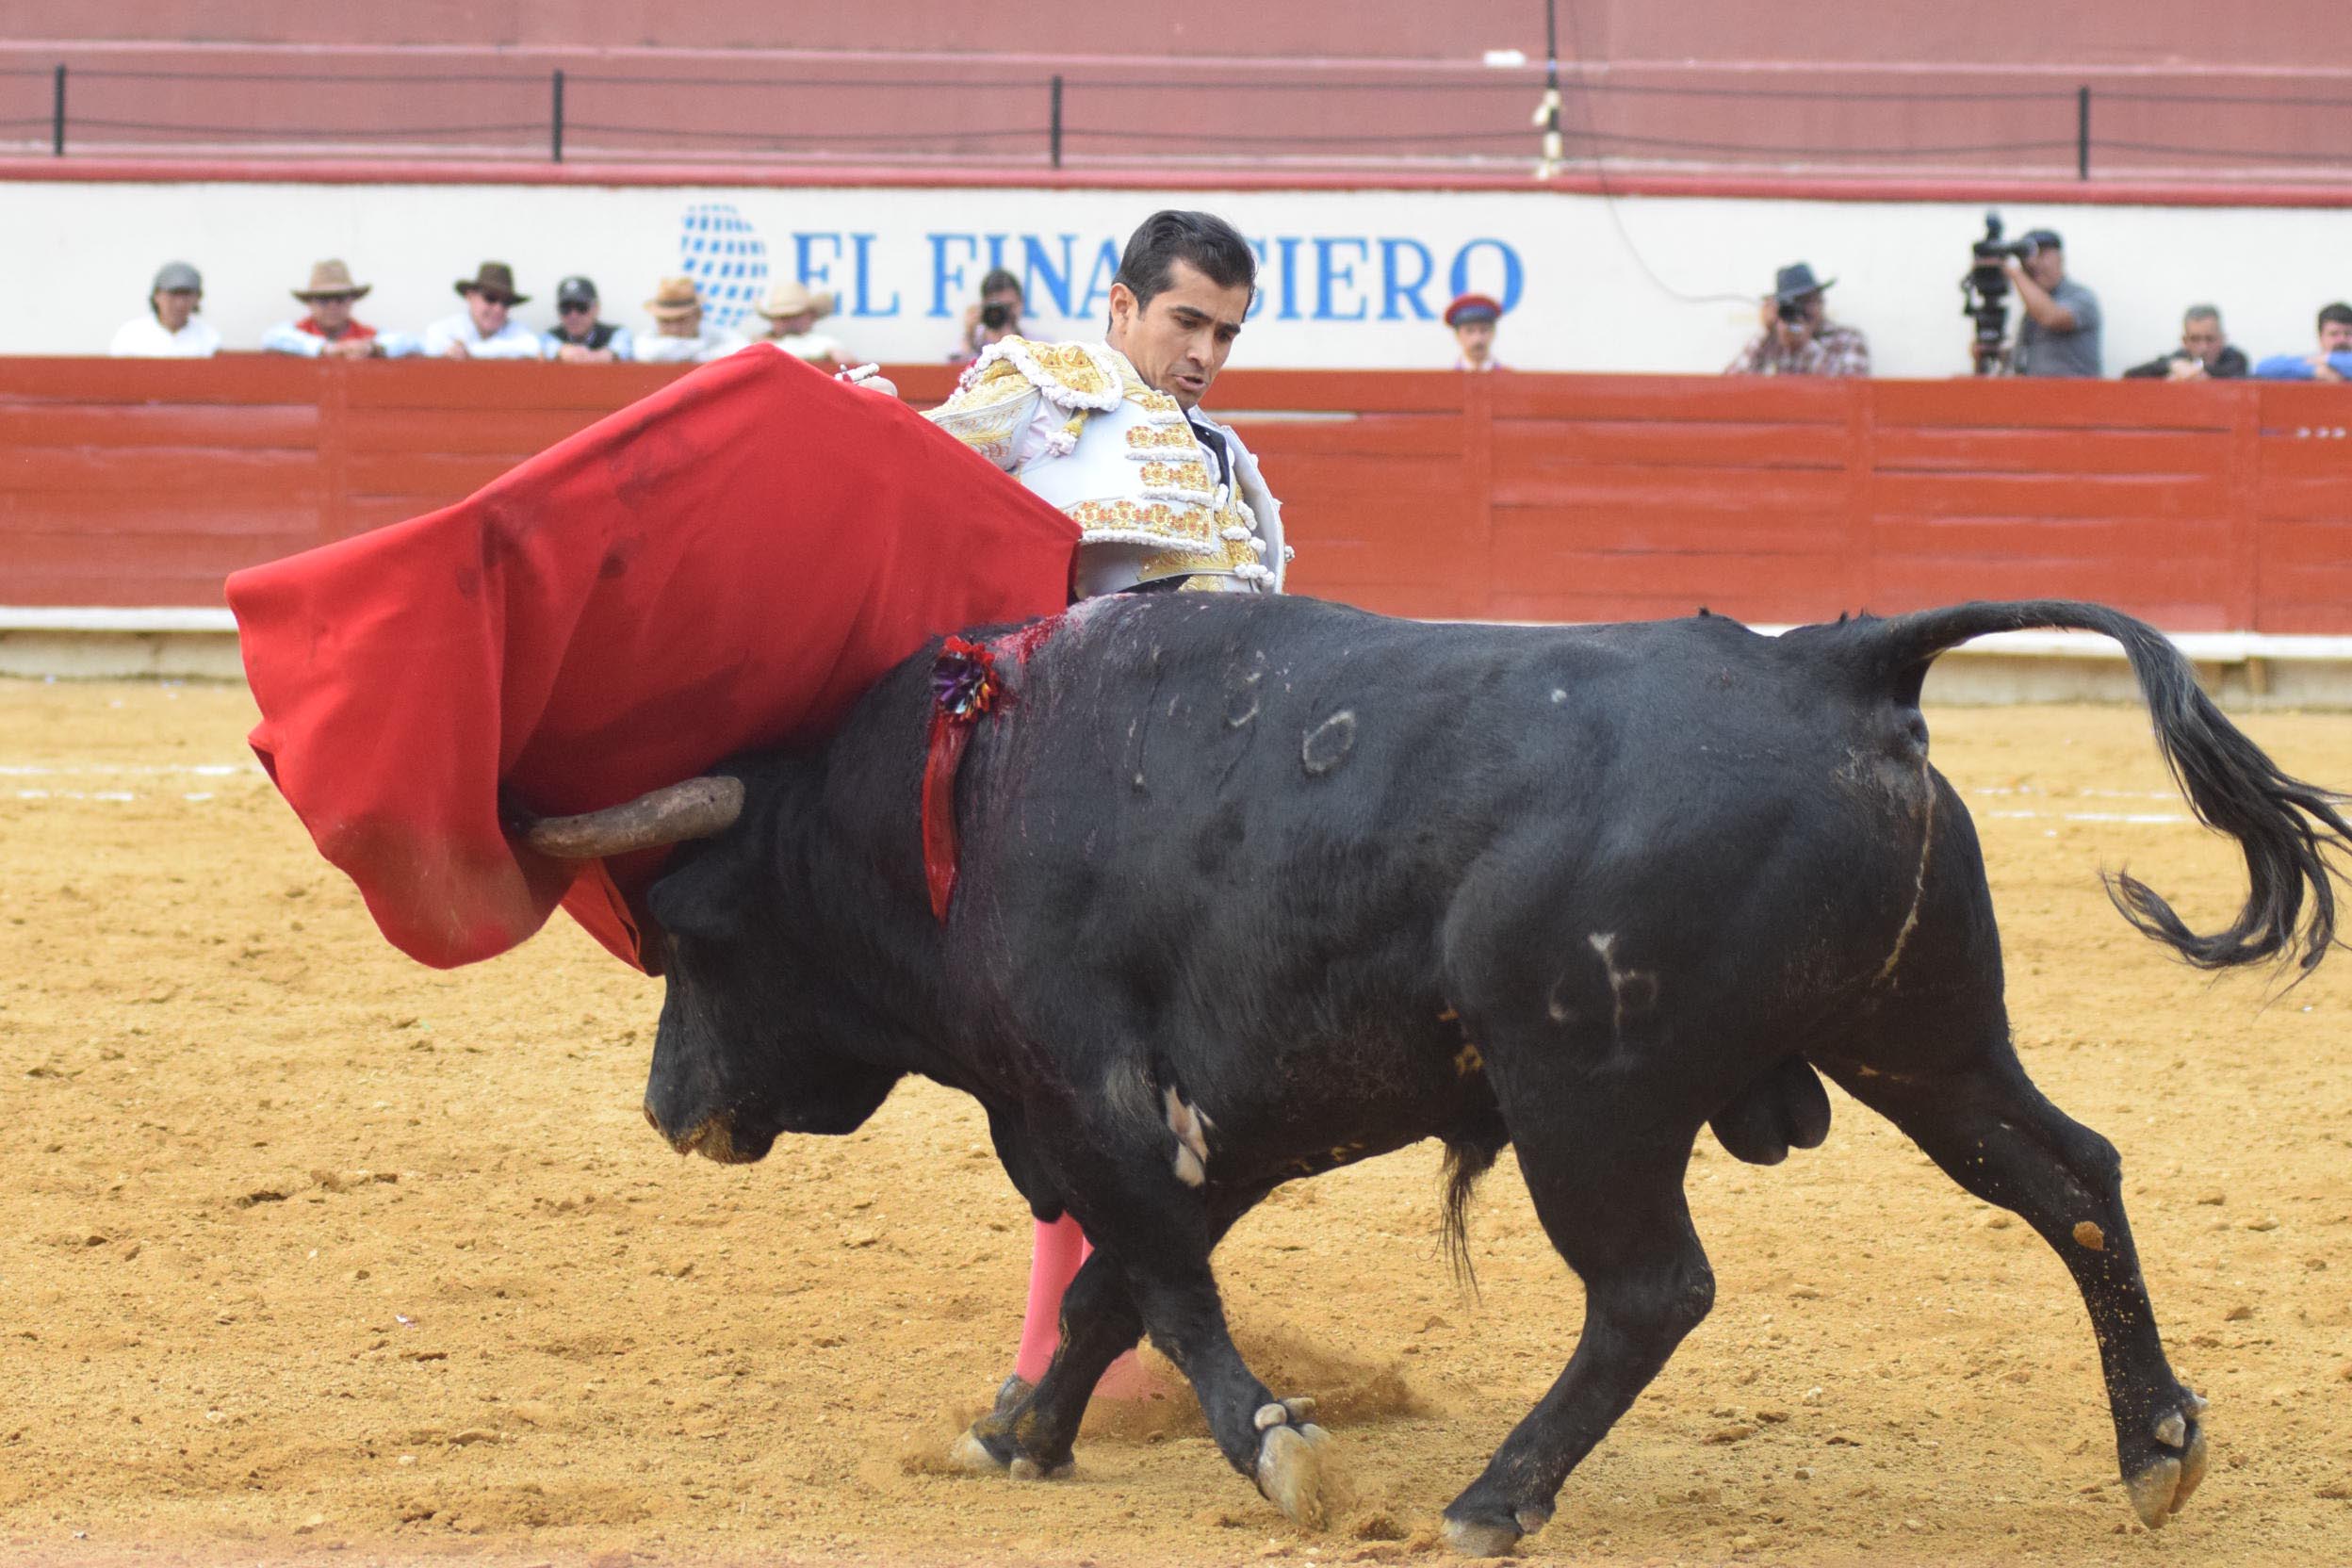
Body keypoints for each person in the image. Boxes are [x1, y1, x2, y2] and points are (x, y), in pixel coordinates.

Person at [909, 209, 1286, 1404]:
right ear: (1119, 305)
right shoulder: (1034, 389)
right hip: (1068, 792)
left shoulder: (1227, 460)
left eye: (1226, 333)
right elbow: (906, 490)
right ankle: (1067, 1355)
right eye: (1185, 321)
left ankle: (1109, 1343)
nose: (1205, 354)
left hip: (1211, 798)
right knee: (1082, 1071)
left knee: (1200, 1077)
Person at [1977, 229, 2101, 377]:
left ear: (2060, 258)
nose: (2033, 263)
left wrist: (2013, 271)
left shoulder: (2081, 297)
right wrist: (1986, 356)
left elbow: (2051, 317)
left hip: (2076, 396)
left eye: (2042, 254)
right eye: (2027, 258)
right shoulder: (2030, 313)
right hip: (2038, 396)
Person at [1723, 263, 1870, 377]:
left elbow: (1853, 392)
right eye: (1793, 304)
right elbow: (1729, 388)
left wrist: (1805, 346)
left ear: (1820, 301)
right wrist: (1766, 334)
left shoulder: (1848, 339)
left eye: (1806, 301)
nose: (1799, 311)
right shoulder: (1772, 342)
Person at [262, 259, 408, 360]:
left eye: (340, 298)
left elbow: (410, 342)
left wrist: (374, 348)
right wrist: (325, 349)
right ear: (310, 303)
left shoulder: (368, 335)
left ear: (351, 301)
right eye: (323, 299)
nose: (333, 306)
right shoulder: (296, 332)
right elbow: (270, 338)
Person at [423, 262, 545, 361]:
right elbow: (431, 342)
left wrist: (470, 352)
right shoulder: (447, 328)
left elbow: (532, 347)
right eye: (491, 298)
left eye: (506, 302)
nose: (498, 309)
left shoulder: (517, 331)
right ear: (470, 296)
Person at [109, 262, 220, 358]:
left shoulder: (208, 337)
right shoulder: (130, 334)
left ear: (197, 298)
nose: (180, 303)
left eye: (186, 295)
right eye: (173, 294)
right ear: (156, 296)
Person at [636, 275, 747, 365]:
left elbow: (741, 346)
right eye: (665, 321)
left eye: (681, 319)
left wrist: (701, 355)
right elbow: (644, 352)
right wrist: (697, 348)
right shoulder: (648, 336)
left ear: (698, 315)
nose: (674, 328)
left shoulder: (710, 331)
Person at [2121, 305, 2248, 381]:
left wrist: (2191, 373)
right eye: (2195, 339)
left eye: (2210, 339)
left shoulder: (2236, 358)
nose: (2203, 347)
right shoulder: (2178, 358)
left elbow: (2232, 373)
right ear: (2185, 341)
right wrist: (2171, 365)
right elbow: (2130, 375)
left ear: (2222, 339)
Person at [2251, 302, 2352, 383]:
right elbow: (2263, 368)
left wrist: (2329, 359)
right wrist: (2314, 371)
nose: (2342, 340)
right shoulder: (2313, 362)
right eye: (2334, 334)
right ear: (2320, 337)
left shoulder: (2321, 360)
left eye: (2348, 334)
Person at [542, 275, 633, 363]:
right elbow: (547, 348)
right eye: (565, 308)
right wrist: (560, 352)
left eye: (581, 307)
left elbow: (622, 348)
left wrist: (608, 355)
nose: (573, 315)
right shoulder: (550, 337)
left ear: (596, 308)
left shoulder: (616, 334)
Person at [750, 281, 845, 366]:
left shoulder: (826, 345)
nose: (788, 322)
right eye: (782, 318)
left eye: (795, 316)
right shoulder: (760, 346)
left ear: (811, 315)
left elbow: (846, 364)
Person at [952, 268, 1027, 363]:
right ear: (984, 305)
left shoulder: (1038, 345)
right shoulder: (972, 344)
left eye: (1008, 306)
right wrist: (969, 336)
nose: (1003, 313)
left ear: (1020, 303)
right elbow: (952, 373)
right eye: (997, 307)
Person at [1445, 292, 1505, 371]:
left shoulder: (1511, 381)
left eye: (1484, 330)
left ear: (1493, 332)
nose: (1477, 339)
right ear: (1457, 335)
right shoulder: (1446, 381)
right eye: (1470, 331)